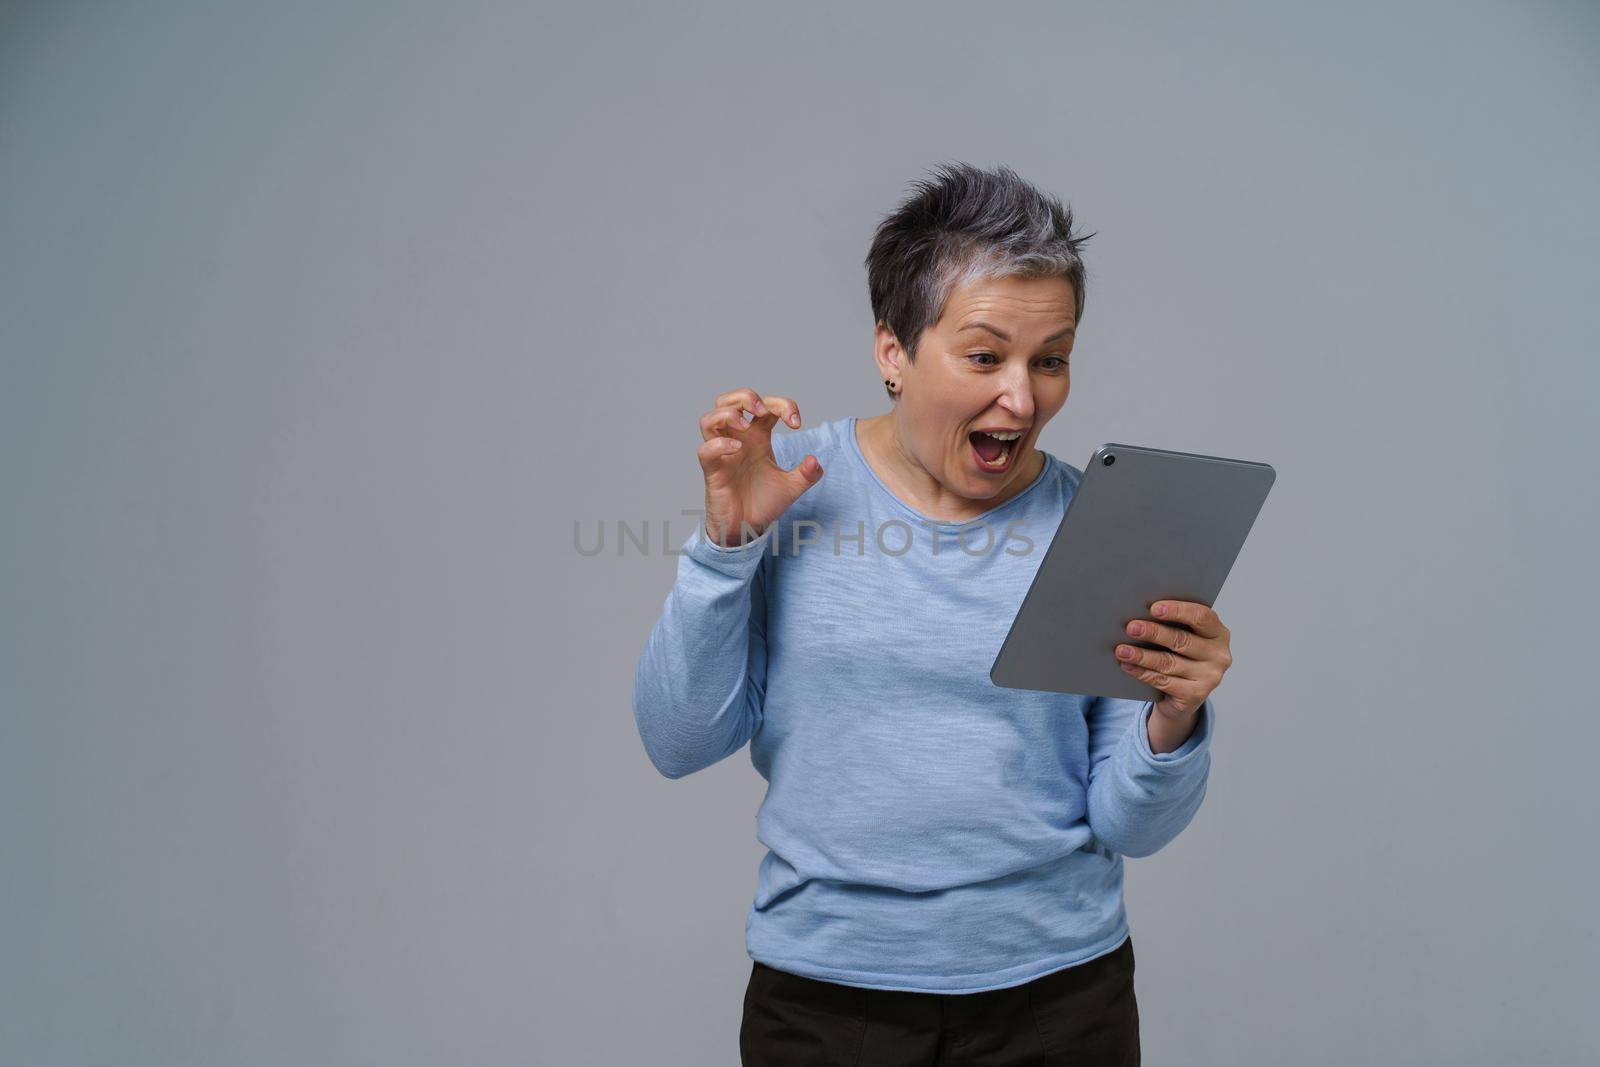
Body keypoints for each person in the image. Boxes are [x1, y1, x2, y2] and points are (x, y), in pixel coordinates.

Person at [632, 162, 1234, 1066]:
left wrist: (1174, 717)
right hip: (826, 1002)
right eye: (986, 357)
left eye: (1052, 359)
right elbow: (678, 741)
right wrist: (726, 546)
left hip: (1060, 1001)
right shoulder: (786, 481)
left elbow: (1129, 827)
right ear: (893, 353)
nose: (1023, 399)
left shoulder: (1104, 527)